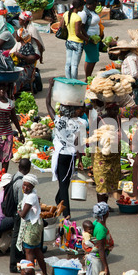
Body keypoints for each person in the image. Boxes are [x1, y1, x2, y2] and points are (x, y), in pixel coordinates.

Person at [47, 78, 85, 219]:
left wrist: (50, 87)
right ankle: (66, 213)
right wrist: (80, 159)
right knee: (64, 184)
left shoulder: (58, 120)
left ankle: (60, 203)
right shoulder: (79, 124)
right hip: (70, 156)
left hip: (59, 155)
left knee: (63, 182)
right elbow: (79, 143)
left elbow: (47, 105)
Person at [16, 174, 50, 275]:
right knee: (37, 250)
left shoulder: (30, 197)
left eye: (28, 186)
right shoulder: (33, 194)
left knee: (29, 252)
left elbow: (23, 215)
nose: (25, 188)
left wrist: (18, 211)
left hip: (31, 227)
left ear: (32, 187)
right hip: (36, 226)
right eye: (24, 185)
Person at [92, 102, 123, 205]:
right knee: (102, 183)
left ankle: (105, 205)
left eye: (116, 109)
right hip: (102, 159)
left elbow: (121, 134)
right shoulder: (99, 120)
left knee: (110, 184)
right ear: (107, 109)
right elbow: (92, 138)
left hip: (114, 158)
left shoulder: (118, 119)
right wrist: (104, 142)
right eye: (113, 110)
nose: (115, 112)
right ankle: (101, 208)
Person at [110, 41, 138, 113]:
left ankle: (137, 122)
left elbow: (134, 73)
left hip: (137, 85)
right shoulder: (134, 55)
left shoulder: (130, 58)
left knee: (135, 108)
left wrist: (130, 82)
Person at [85, 202, 114, 275]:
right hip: (97, 259)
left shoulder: (96, 222)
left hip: (94, 257)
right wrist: (106, 268)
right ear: (106, 214)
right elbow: (101, 249)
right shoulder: (101, 229)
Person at [9, 158, 30, 273]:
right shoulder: (22, 182)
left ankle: (18, 261)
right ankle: (14, 264)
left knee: (16, 237)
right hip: (18, 214)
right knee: (17, 238)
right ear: (28, 169)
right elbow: (22, 203)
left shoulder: (15, 176)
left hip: (14, 211)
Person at [61, 0, 90, 79]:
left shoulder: (66, 14)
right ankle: (74, 81)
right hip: (77, 43)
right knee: (74, 65)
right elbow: (78, 33)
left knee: (68, 64)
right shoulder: (77, 18)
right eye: (82, 6)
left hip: (69, 41)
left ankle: (68, 80)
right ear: (79, 7)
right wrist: (86, 39)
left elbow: (61, 26)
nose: (83, 8)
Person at [79, 0, 102, 79]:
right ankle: (87, 77)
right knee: (92, 59)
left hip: (95, 39)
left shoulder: (92, 11)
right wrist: (88, 38)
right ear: (89, 5)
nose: (96, 7)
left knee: (91, 59)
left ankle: (88, 77)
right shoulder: (84, 13)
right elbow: (81, 27)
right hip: (89, 40)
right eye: (95, 5)